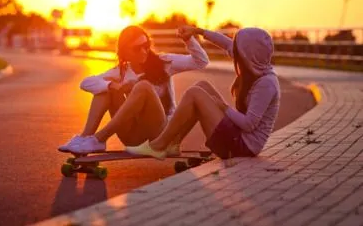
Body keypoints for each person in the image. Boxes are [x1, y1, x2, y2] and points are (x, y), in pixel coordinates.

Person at [125, 26, 281, 160]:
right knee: (202, 86)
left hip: (242, 147)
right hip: (237, 137)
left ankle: (158, 146)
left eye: (238, 49)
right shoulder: (255, 64)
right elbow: (224, 43)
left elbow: (249, 124)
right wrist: (197, 31)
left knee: (195, 93)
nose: (234, 51)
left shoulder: (266, 83)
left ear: (248, 54)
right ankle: (174, 143)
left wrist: (224, 107)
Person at [58, 24, 210, 154]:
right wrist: (113, 85)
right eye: (137, 48)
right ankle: (86, 138)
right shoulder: (121, 71)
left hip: (162, 133)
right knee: (105, 89)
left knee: (142, 86)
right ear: (125, 51)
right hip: (135, 136)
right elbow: (85, 83)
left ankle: (99, 138)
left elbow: (201, 61)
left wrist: (188, 39)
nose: (144, 51)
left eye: (146, 46)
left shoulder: (163, 62)